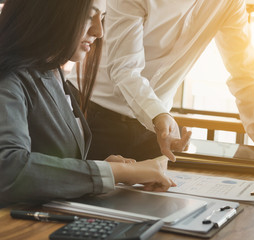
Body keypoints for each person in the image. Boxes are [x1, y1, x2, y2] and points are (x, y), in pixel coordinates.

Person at [68, 0, 254, 162]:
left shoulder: (229, 4)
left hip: (155, 127)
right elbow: (125, 68)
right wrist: (159, 115)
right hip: (91, 113)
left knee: (157, 208)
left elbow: (246, 70)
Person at [0, 0, 174, 205]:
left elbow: (47, 157)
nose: (99, 31)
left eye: (101, 18)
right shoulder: (9, 80)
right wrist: (117, 171)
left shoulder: (50, 70)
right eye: (89, 17)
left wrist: (100, 168)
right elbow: (8, 171)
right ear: (49, 12)